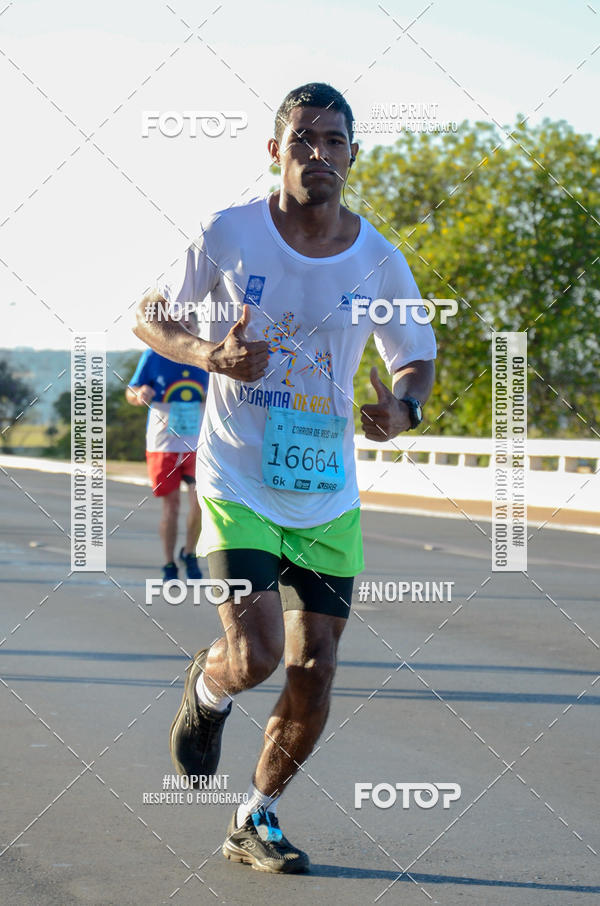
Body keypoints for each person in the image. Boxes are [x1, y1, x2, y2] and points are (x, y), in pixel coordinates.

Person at [133, 82, 436, 873]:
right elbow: (149, 313)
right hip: (237, 481)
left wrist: (402, 410)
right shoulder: (229, 234)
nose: (318, 153)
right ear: (276, 151)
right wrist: (209, 355)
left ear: (353, 156)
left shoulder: (379, 259)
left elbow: (414, 358)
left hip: (328, 493)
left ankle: (255, 817)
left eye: (334, 141)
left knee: (316, 670)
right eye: (303, 139)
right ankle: (210, 689)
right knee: (259, 653)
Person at [126, 338, 209, 582]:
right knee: (171, 507)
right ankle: (169, 563)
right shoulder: (153, 355)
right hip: (163, 444)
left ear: (195, 329)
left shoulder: (205, 355)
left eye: (189, 324)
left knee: (199, 502)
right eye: (179, 323)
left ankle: (189, 553)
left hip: (197, 443)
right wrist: (139, 394)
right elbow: (131, 391)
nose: (184, 327)